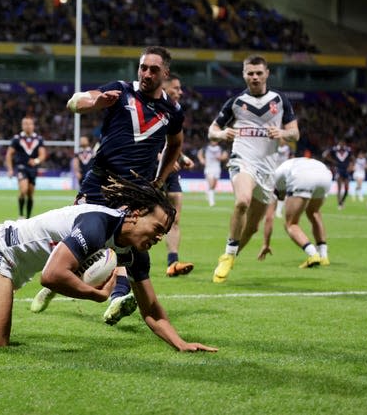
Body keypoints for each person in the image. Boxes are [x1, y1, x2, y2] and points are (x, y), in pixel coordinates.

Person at [0, 174, 217, 353]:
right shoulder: (96, 224)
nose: (159, 237)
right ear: (134, 214)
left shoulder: (134, 252)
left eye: (164, 233)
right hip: (2, 248)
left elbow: (152, 309)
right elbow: (52, 276)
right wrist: (95, 295)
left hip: (18, 262)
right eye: (157, 228)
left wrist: (181, 343)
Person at [31, 46, 185, 324]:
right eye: (143, 68)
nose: (147, 73)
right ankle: (53, 282)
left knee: (124, 244)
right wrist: (97, 102)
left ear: (166, 73)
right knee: (78, 238)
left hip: (135, 191)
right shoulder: (121, 90)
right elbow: (74, 102)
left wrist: (159, 181)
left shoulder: (172, 111)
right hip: (100, 182)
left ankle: (117, 298)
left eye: (153, 69)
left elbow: (175, 144)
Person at [207, 54, 299, 283]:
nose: (255, 77)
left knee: (252, 228)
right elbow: (212, 131)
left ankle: (231, 255)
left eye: (259, 73)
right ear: (244, 75)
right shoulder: (236, 103)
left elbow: (295, 133)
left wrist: (283, 134)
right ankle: (228, 256)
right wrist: (220, 133)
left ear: (267, 73)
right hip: (242, 160)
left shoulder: (279, 100)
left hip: (268, 169)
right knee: (242, 201)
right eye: (250, 73)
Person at [258, 157, 332, 268]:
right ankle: (324, 256)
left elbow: (269, 217)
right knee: (314, 212)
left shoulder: (271, 182)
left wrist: (266, 244)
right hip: (324, 174)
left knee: (291, 224)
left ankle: (313, 254)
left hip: (302, 175)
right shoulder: (283, 169)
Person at [161, 73, 195, 278]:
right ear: (164, 88)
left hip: (170, 168)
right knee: (135, 217)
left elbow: (170, 141)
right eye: (176, 88)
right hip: (148, 168)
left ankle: (172, 262)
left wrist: (180, 158)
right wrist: (162, 158)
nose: (180, 92)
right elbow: (144, 140)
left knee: (174, 217)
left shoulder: (175, 111)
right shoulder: (150, 107)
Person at [5, 117, 47, 219]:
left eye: (29, 124)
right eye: (25, 124)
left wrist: (36, 161)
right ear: (22, 125)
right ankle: (20, 215)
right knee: (23, 190)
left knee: (30, 194)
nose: (27, 126)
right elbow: (9, 154)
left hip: (33, 169)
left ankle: (28, 217)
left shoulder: (38, 139)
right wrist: (10, 169)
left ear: (33, 125)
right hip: (21, 167)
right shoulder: (17, 138)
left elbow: (42, 155)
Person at [323, 139, 353, 210]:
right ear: (339, 143)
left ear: (345, 144)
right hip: (338, 170)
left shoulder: (348, 150)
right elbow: (325, 155)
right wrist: (333, 161)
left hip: (346, 170)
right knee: (339, 188)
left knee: (346, 189)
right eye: (340, 143)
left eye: (343, 143)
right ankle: (339, 204)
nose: (342, 145)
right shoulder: (334, 149)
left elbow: (352, 158)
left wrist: (351, 166)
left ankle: (342, 201)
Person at [197, 138, 228, 207]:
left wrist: (221, 158)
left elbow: (225, 155)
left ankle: (208, 192)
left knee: (213, 185)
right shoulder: (206, 148)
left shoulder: (220, 148)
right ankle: (211, 202)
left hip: (217, 168)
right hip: (208, 168)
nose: (214, 142)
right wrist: (202, 160)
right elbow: (199, 153)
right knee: (211, 184)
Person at [273, 140, 292, 217]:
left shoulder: (288, 149)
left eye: (284, 139)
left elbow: (291, 158)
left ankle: (278, 210)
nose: (282, 141)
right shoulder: (274, 147)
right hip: (273, 171)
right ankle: (270, 210)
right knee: (271, 191)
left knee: (282, 191)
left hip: (283, 172)